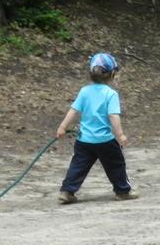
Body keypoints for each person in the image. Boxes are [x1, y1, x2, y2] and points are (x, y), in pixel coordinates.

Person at [55, 52, 139, 204]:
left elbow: (73, 110)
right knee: (116, 164)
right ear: (112, 74)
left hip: (84, 140)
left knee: (78, 166)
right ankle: (122, 191)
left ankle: (67, 191)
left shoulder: (84, 91)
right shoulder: (111, 94)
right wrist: (120, 135)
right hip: (105, 140)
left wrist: (62, 127)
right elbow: (113, 116)